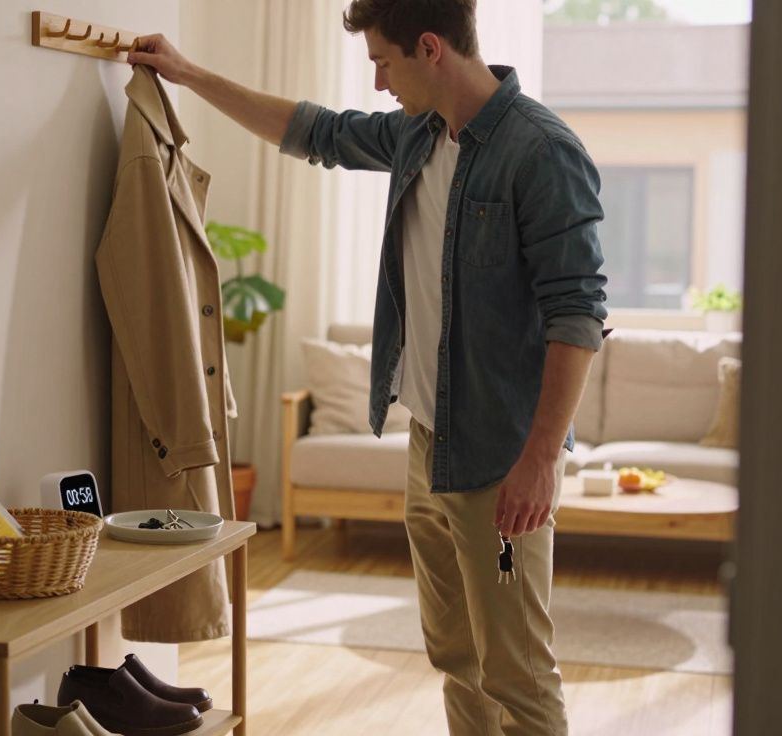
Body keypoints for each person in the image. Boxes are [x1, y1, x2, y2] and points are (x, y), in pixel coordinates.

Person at [127, 1, 608, 734]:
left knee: (516, 668)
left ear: (430, 48)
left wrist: (541, 459)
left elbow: (577, 316)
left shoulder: (541, 152)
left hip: (503, 470)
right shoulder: (418, 138)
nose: (378, 82)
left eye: (384, 61)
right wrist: (189, 75)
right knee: (456, 655)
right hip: (429, 447)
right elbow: (311, 130)